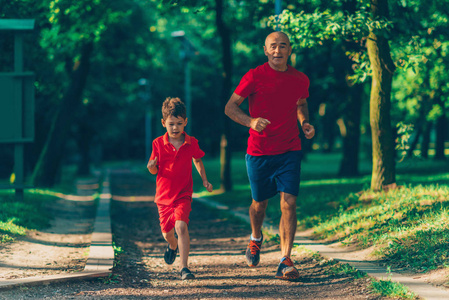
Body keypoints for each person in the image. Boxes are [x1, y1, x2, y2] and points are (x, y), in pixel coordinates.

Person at [224, 31, 315, 281]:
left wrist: (305, 122)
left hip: (289, 149)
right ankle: (256, 237)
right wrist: (250, 122)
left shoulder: (300, 79)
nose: (278, 50)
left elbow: (301, 103)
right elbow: (230, 107)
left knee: (289, 203)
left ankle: (285, 259)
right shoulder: (254, 76)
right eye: (273, 46)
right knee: (259, 205)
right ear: (265, 50)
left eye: (283, 46)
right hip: (259, 152)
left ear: (290, 50)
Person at [147, 97, 213, 280]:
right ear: (163, 123)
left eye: (179, 123)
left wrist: (205, 181)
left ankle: (184, 268)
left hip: (183, 194)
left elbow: (198, 160)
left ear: (185, 122)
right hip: (163, 197)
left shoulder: (191, 142)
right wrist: (151, 166)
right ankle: (173, 245)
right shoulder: (157, 144)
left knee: (181, 226)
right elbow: (153, 169)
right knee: (167, 234)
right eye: (171, 124)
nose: (175, 128)